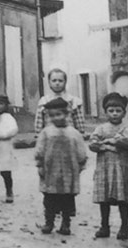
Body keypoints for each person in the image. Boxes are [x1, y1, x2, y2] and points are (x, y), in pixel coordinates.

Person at [35, 97, 89, 235]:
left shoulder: (74, 133)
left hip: (68, 172)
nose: (55, 118)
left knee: (67, 199)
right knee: (49, 199)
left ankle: (66, 223)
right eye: (52, 115)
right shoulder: (46, 132)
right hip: (50, 171)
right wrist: (40, 165)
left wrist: (81, 165)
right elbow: (40, 150)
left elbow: (81, 151)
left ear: (67, 114)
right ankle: (49, 222)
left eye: (58, 114)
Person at [89, 92, 128, 240]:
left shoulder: (126, 128)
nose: (114, 114)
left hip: (121, 169)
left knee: (123, 200)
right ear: (105, 112)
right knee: (104, 200)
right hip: (104, 169)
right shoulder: (101, 128)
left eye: (118, 111)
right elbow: (93, 144)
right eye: (111, 111)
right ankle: (104, 226)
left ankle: (124, 227)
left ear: (124, 112)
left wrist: (109, 142)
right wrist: (107, 144)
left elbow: (127, 142)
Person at [34, 68, 86, 134]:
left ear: (65, 82)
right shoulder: (44, 101)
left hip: (69, 137)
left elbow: (80, 127)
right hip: (50, 137)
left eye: (60, 81)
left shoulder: (73, 101)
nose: (57, 83)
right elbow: (38, 127)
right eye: (54, 80)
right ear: (49, 83)